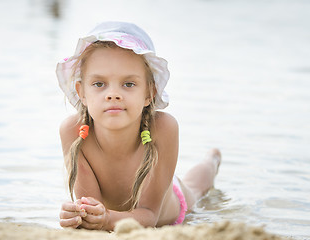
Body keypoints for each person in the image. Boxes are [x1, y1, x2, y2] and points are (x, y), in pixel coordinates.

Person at [56, 21, 221, 231]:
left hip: (169, 206)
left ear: (149, 93)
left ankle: (212, 160)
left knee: (197, 188)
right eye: (99, 84)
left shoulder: (162, 128)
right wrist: (80, 215)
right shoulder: (74, 132)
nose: (113, 94)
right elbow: (90, 208)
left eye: (128, 84)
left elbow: (149, 216)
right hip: (125, 208)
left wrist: (105, 219)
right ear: (81, 92)